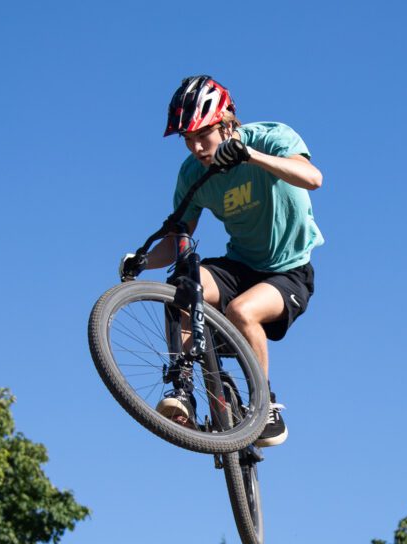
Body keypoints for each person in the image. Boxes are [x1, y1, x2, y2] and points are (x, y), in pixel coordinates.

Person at [121, 75, 324, 447]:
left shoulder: (270, 137)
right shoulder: (192, 173)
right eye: (188, 139)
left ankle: (264, 407)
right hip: (240, 266)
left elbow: (312, 178)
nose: (197, 147)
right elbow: (177, 238)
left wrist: (251, 156)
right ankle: (182, 390)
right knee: (183, 284)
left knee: (243, 312)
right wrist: (142, 261)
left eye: (204, 135)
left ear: (227, 123)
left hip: (288, 270)